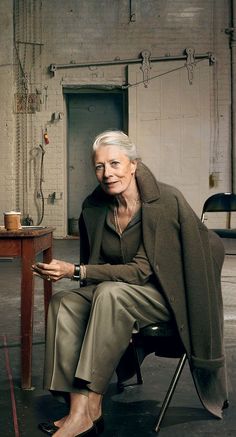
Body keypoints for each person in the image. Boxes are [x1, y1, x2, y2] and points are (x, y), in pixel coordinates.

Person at [34, 130, 228, 437]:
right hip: (122, 295)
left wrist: (75, 270)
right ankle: (79, 410)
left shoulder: (164, 203)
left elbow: (140, 271)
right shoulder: (95, 207)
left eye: (115, 163)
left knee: (111, 294)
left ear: (133, 164)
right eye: (99, 166)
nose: (107, 173)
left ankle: (91, 405)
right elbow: (96, 262)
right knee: (65, 302)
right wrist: (81, 276)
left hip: (164, 296)